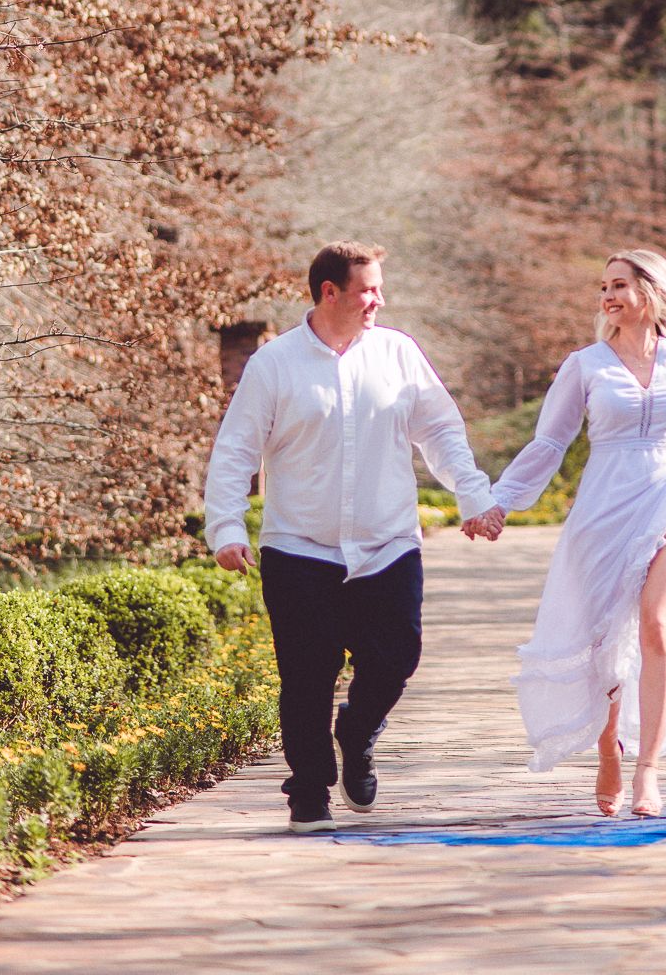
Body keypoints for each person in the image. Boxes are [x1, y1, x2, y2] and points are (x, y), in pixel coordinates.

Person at [204, 240, 496, 833]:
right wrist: (227, 526)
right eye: (367, 289)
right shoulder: (275, 364)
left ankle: (357, 732)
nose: (378, 300)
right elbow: (235, 451)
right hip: (299, 548)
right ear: (328, 292)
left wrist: (474, 496)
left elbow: (440, 431)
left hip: (387, 543)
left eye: (379, 288)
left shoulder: (398, 354)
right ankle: (308, 789)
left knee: (396, 658)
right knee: (306, 676)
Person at [465, 248, 666, 817]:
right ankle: (609, 749)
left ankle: (648, 771)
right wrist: (500, 503)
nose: (608, 296)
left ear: (652, 290)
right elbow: (550, 443)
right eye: (604, 287)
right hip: (605, 509)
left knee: (658, 625)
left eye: (619, 284)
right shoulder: (584, 365)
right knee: (602, 643)